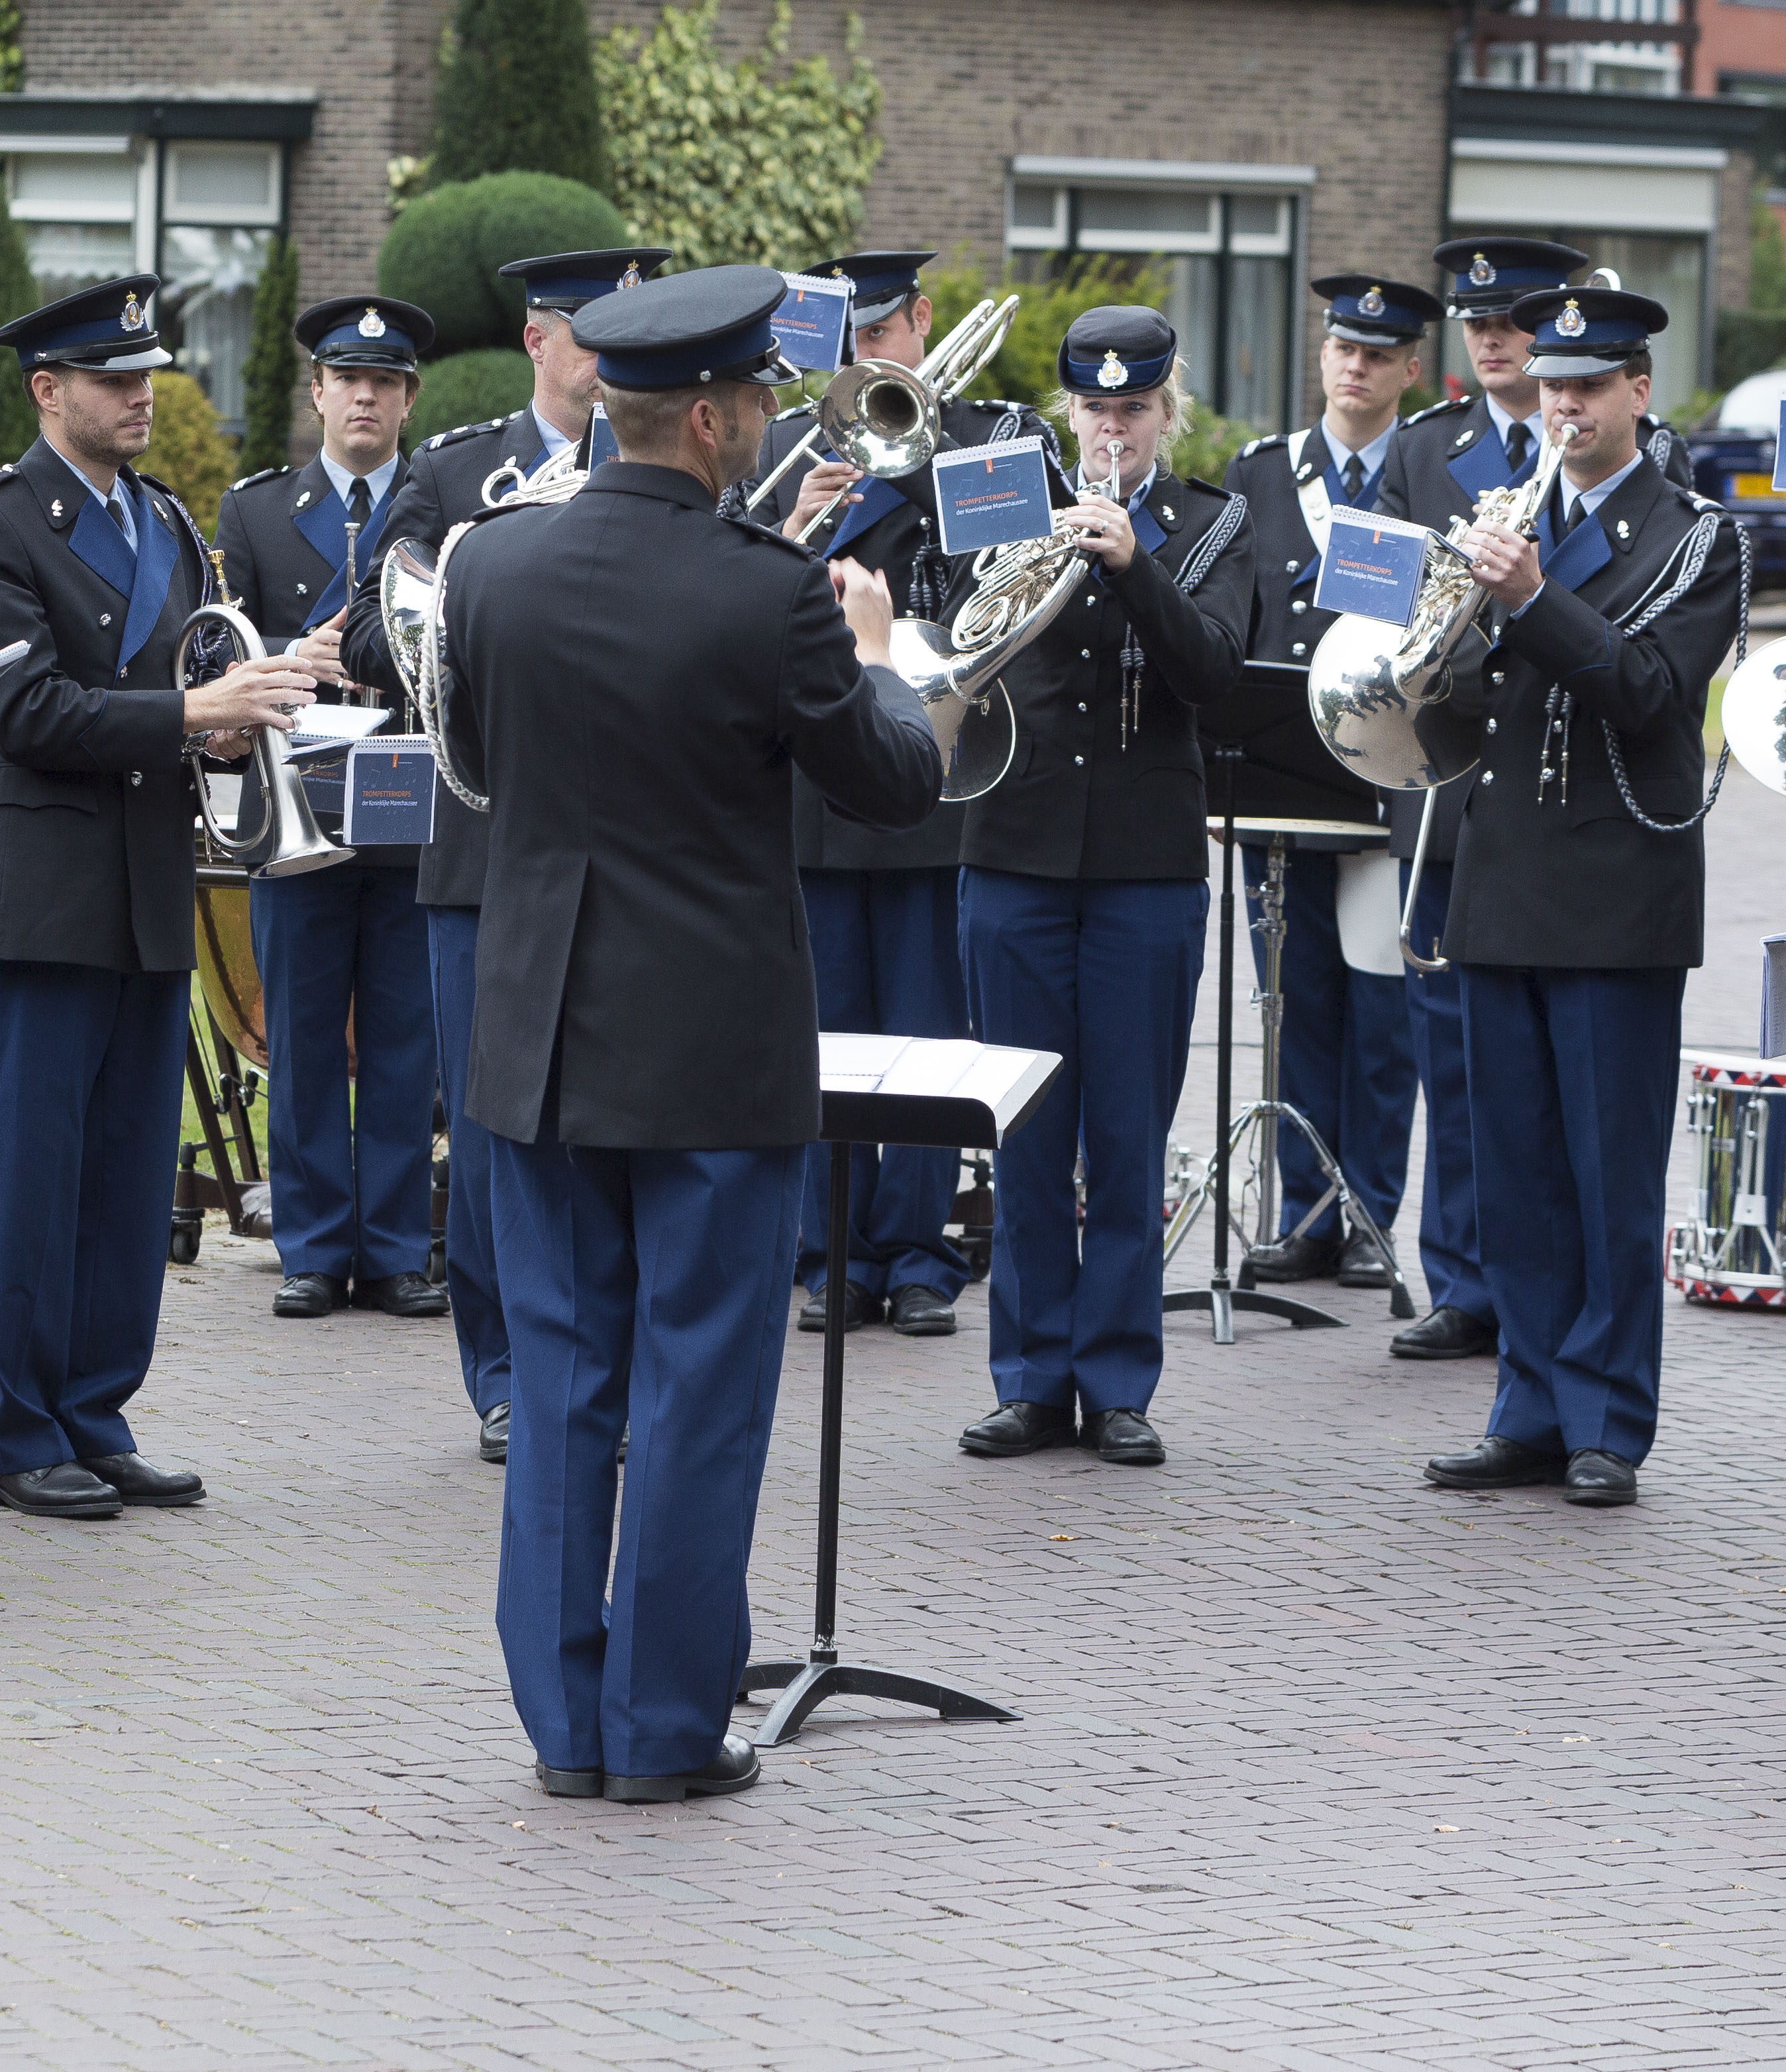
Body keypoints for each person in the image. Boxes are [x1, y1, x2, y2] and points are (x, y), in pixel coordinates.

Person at [441, 262, 942, 1802]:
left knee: (565, 1379)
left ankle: (565, 1727)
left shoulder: (489, 566)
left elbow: (474, 759)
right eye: (753, 406)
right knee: (696, 1391)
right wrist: (871, 654)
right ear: (716, 418)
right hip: (711, 1050)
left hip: (536, 1033)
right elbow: (890, 781)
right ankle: (664, 1729)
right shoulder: (768, 588)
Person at [0, 274, 311, 1521]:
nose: (143, 395)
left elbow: (179, 677)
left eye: (148, 373)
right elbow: (22, 710)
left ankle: (96, 1409)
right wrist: (189, 713)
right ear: (47, 392)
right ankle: (19, 1430)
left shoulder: (166, 521)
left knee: (130, 1173)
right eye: (114, 378)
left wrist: (232, 721)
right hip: (37, 892)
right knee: (36, 1174)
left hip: (146, 883)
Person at [338, 244, 670, 1461]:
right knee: (491, 1127)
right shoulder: (459, 468)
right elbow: (376, 629)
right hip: (484, 849)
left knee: (613, 1119)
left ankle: (605, 1366)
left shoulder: (661, 468)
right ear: (541, 341)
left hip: (628, 851)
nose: (613, 354)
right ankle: (506, 1373)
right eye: (594, 332)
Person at [1418, 285, 1744, 1510]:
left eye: (1590, 388)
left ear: (1638, 393)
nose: (1565, 408)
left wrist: (1524, 597)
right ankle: (1528, 1404)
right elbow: (1447, 683)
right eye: (1552, 389)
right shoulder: (1507, 515)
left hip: (1615, 890)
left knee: (1607, 1173)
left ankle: (1608, 1419)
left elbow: (1648, 687)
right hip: (1500, 876)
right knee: (1513, 1169)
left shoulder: (1696, 534)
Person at [949, 305, 1248, 1469]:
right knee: (1022, 1131)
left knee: (1126, 1134)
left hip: (1143, 868)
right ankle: (1028, 1379)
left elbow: (1215, 674)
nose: (1112, 428)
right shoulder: (1006, 501)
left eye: (1133, 410)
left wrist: (1133, 563)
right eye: (1094, 409)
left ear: (1167, 414)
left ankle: (1117, 1380)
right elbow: (950, 641)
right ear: (1067, 411)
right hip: (1014, 854)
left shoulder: (1213, 524)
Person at [746, 248, 1039, 1338]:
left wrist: (907, 463)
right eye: (849, 342)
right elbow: (738, 594)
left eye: (881, 336)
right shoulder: (786, 447)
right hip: (816, 773)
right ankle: (832, 1253)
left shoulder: (989, 440)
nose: (865, 357)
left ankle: (917, 1253)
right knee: (825, 1024)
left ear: (921, 322)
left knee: (923, 1026)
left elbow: (1003, 588)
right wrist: (797, 534)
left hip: (930, 763)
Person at [1369, 236, 1592, 1362]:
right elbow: (1392, 601)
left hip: (1553, 790)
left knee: (1547, 1068)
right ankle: (1462, 1277)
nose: (1494, 339)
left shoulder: (1605, 450)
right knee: (1452, 1051)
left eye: (1517, 319)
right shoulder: (1425, 449)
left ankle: (1548, 1289)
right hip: (1449, 778)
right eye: (1478, 321)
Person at [1216, 276, 1441, 1287]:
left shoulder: (1431, 474)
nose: (1355, 367)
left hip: (1385, 787)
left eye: (1378, 354)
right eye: (1342, 348)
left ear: (1409, 371)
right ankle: (1305, 1209)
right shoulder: (1260, 474)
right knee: (1293, 1006)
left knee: (1381, 1014)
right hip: (1282, 784)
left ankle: (1369, 1213)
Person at [224, 293, 443, 1321]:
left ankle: (397, 1246)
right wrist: (289, 658)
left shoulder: (441, 502)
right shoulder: (259, 510)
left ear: (408, 400)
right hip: (299, 800)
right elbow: (220, 650)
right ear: (316, 392)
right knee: (303, 1030)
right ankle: (312, 1243)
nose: (367, 396)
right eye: (349, 380)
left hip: (409, 793)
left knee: (406, 1033)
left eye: (387, 382)